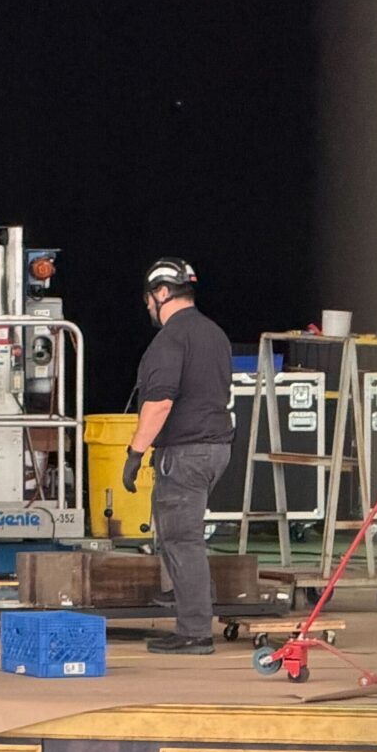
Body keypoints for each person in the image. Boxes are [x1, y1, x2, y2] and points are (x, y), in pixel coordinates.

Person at [123, 256, 236, 653]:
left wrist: (135, 452)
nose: (148, 308)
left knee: (181, 538)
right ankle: (189, 597)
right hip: (216, 449)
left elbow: (159, 402)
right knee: (180, 534)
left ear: (161, 293)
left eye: (148, 300)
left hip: (187, 451)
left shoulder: (170, 339)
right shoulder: (214, 334)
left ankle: (194, 631)